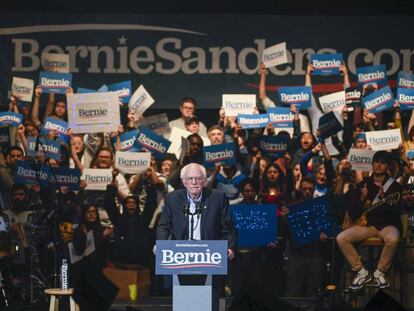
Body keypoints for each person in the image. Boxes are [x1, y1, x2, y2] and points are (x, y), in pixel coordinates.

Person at [337, 150, 403, 291]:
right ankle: (361, 272)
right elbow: (353, 213)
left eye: (383, 162)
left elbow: (395, 213)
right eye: (377, 161)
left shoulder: (395, 187)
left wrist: (384, 200)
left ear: (388, 166)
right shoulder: (363, 185)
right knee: (341, 238)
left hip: (387, 225)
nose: (379, 165)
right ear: (372, 163)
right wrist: (361, 199)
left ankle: (380, 272)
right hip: (367, 226)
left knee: (393, 238)